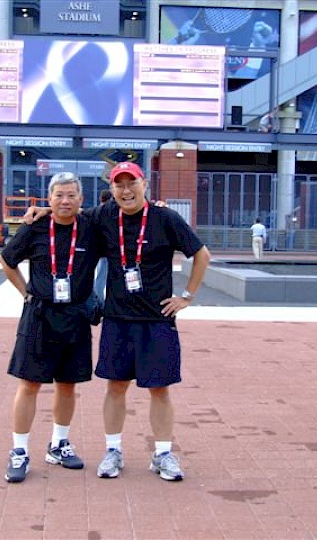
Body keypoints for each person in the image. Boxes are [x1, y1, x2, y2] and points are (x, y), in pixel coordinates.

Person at [93, 162, 210, 482]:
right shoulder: (104, 215)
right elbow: (68, 215)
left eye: (133, 183)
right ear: (112, 187)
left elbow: (201, 254)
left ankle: (162, 454)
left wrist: (186, 296)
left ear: (145, 184)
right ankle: (113, 451)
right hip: (118, 318)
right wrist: (40, 213)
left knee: (159, 389)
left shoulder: (165, 218)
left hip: (157, 320)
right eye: (120, 184)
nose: (126, 190)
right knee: (115, 386)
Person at [0, 172, 101, 483]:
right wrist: (25, 292)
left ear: (82, 200)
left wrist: (158, 205)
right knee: (29, 384)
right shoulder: (35, 227)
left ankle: (58, 444)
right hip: (40, 316)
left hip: (76, 317)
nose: (65, 201)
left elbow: (128, 210)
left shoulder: (91, 228)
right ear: (49, 199)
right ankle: (19, 451)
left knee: (68, 385)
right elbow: (7, 259)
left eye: (71, 195)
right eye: (59, 195)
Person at [93, 189, 112, 301]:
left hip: (98, 250)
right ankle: (100, 302)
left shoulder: (95, 212)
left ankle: (99, 302)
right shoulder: (109, 213)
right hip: (108, 250)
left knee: (100, 278)